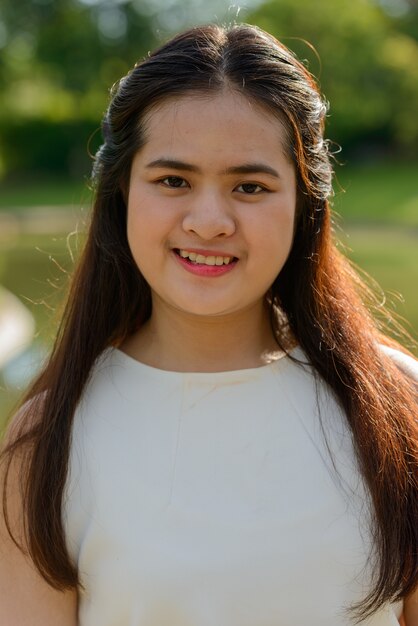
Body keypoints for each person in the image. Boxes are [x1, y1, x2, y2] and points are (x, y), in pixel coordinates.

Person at [0, 23, 417, 626]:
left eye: (250, 186)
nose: (209, 220)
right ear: (121, 194)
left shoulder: (395, 403)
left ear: (305, 203)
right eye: (173, 181)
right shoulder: (47, 441)